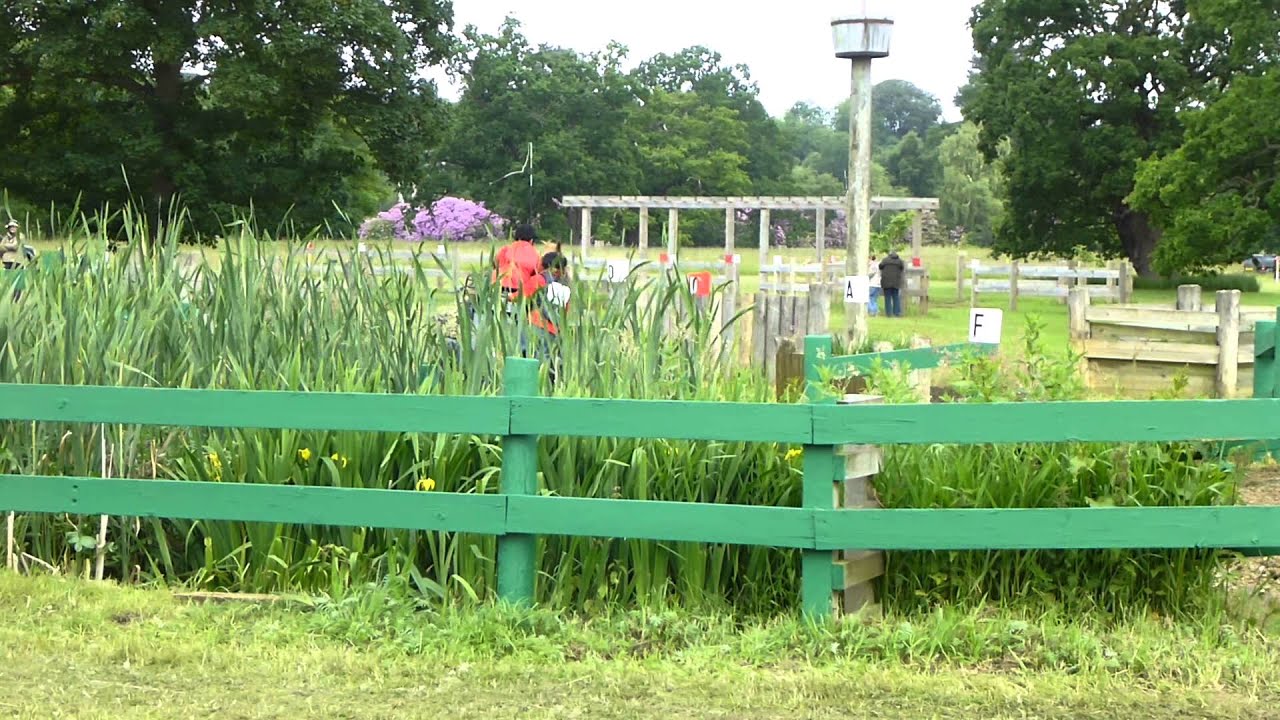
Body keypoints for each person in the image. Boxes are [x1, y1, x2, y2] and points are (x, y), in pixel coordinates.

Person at [878, 251, 906, 318]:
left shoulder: (885, 260)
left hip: (886, 281)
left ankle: (889, 314)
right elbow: (902, 268)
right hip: (896, 281)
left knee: (887, 297)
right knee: (896, 297)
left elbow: (880, 266)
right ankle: (896, 313)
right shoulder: (900, 261)